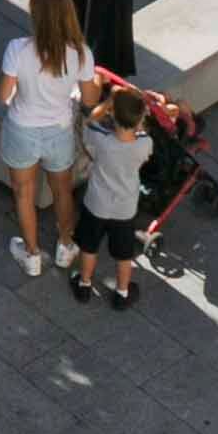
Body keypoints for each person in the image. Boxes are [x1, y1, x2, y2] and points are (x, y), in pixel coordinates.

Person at [0, 0, 89, 278]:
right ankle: (65, 245)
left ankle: (32, 254)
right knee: (62, 190)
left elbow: (3, 95)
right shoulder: (80, 53)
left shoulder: (17, 49)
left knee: (24, 193)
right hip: (59, 130)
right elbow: (89, 99)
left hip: (22, 129)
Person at [70, 78, 151, 307]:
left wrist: (108, 101)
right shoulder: (144, 144)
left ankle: (84, 284)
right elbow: (143, 138)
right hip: (125, 209)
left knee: (89, 247)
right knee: (124, 254)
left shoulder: (101, 139)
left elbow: (90, 119)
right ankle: (122, 292)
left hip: (96, 204)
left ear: (112, 114)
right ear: (140, 119)